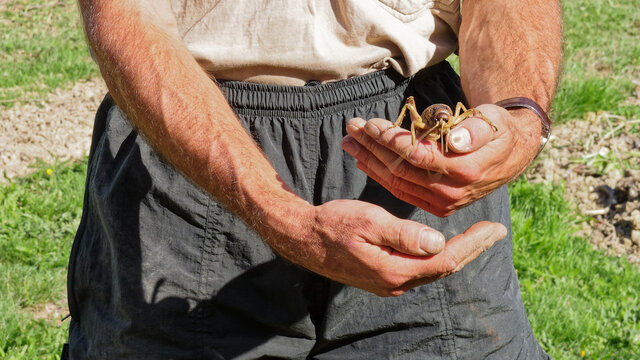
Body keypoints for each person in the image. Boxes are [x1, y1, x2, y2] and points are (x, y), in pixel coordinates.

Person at [63, 0, 562, 359]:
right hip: (192, 142)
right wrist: (275, 209)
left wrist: (519, 116)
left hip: (406, 141)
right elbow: (125, 13)